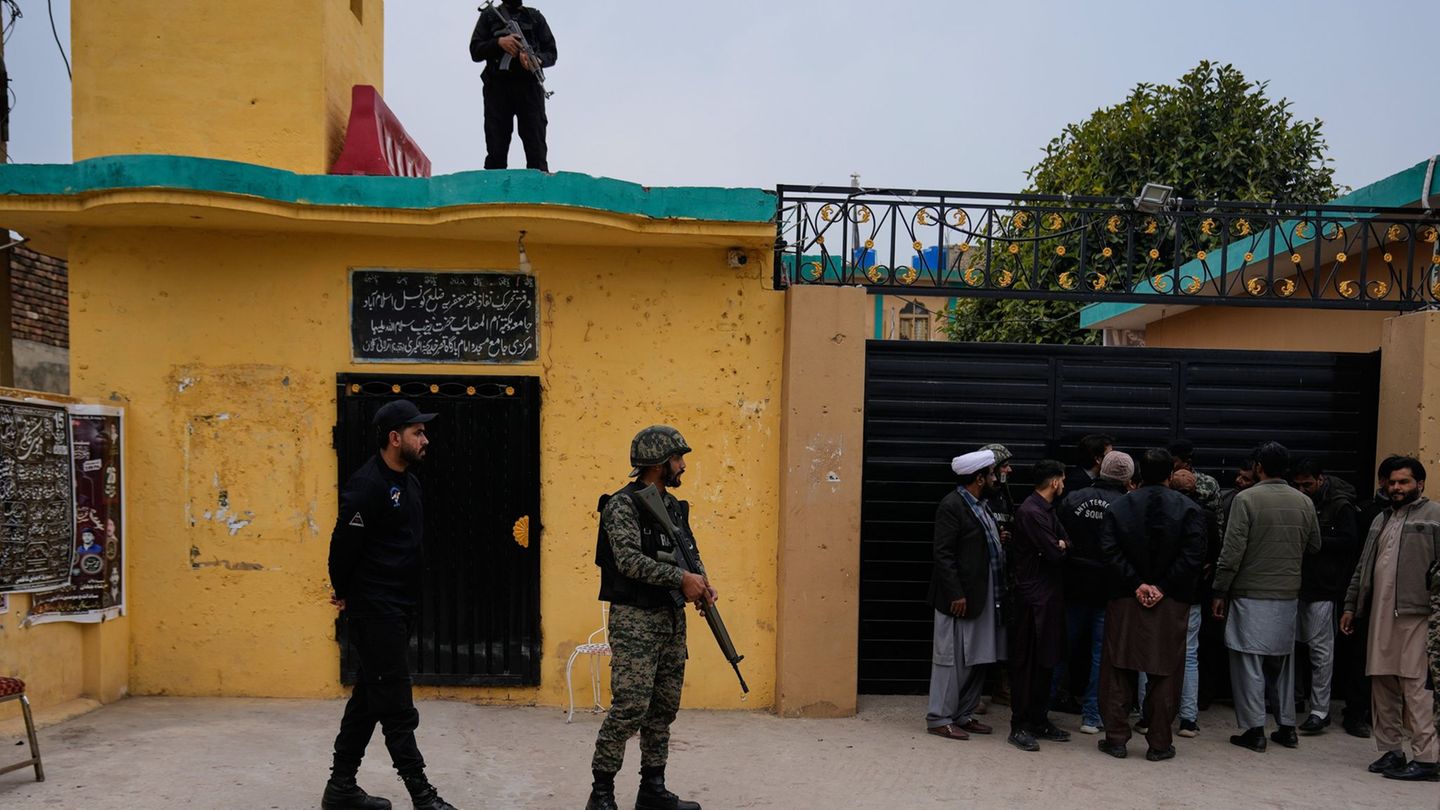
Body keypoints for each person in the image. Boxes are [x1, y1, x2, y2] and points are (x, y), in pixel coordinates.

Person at [325, 400, 457, 810]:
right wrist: (344, 591)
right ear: (394, 438)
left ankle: (341, 787)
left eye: (424, 432)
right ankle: (422, 793)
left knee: (369, 696)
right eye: (418, 432)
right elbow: (341, 548)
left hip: (400, 605)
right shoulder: (367, 486)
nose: (425, 439)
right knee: (397, 703)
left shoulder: (411, 483)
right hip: (374, 607)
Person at [587, 425, 714, 810]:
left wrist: (702, 583)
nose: (683, 466)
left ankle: (652, 790)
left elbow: (687, 553)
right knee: (629, 708)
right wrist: (681, 579)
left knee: (663, 709)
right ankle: (602, 794)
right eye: (678, 458)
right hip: (636, 621)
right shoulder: (621, 505)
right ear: (659, 464)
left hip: (671, 620)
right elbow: (627, 561)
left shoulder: (673, 507)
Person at [1095, 449, 1206, 761]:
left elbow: (1109, 550)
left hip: (1126, 597)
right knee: (1166, 672)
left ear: (1138, 475)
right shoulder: (1188, 508)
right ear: (1170, 474)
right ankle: (1159, 743)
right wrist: (1162, 586)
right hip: (1170, 602)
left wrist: (1136, 583)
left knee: (1118, 667)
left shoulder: (1119, 506)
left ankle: (1116, 739)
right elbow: (1193, 556)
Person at [1211, 442, 1320, 753]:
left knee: (1248, 661)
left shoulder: (1246, 499)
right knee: (1283, 663)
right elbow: (1314, 545)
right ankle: (1287, 727)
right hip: (1287, 594)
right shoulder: (1304, 502)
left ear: (1258, 467)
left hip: (1250, 593)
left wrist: (1220, 589)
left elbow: (1231, 553)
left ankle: (1254, 729)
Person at [1340, 455, 1440, 782]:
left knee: (1416, 686)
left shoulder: (1435, 515)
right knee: (1381, 681)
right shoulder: (1380, 519)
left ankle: (1427, 759)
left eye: (1404, 482)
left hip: (1418, 615)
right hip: (1379, 616)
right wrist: (1352, 605)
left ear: (1420, 484)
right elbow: (1362, 567)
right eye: (1392, 482)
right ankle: (1391, 750)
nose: (1396, 488)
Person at [926, 449, 1007, 742]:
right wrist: (955, 594)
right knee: (951, 660)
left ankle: (963, 714)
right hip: (958, 600)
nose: (996, 478)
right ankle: (939, 717)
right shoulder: (952, 505)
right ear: (979, 478)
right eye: (992, 474)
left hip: (983, 596)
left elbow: (975, 543)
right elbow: (943, 554)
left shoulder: (979, 505)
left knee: (978, 658)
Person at [1057, 450, 1134, 735]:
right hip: (1108, 589)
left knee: (1062, 648)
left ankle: (1044, 704)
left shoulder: (1074, 497)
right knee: (1101, 655)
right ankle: (1092, 715)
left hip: (1074, 584)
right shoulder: (1127, 505)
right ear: (1126, 477)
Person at [1288, 458, 1359, 735]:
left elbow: (1350, 542)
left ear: (1320, 479)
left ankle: (1320, 710)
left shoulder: (1340, 506)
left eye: (1308, 484)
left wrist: (1313, 541)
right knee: (1291, 647)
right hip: (1296, 585)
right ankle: (1294, 699)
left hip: (1324, 588)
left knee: (1321, 651)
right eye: (1298, 485)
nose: (1303, 490)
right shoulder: (1299, 501)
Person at [1006, 460, 1071, 751]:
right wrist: (1058, 546)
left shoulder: (1046, 511)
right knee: (1027, 664)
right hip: (1032, 600)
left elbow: (1067, 543)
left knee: (1046, 662)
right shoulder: (1031, 512)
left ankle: (1038, 719)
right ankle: (1019, 725)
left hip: (1048, 598)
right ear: (1055, 481)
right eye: (1063, 479)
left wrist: (1061, 544)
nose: (1064, 484)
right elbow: (1056, 554)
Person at [469, 0, 557, 171]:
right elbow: (475, 50)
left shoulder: (535, 17)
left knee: (536, 147)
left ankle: (537, 189)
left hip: (529, 88)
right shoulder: (490, 15)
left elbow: (551, 52)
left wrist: (536, 60)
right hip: (498, 87)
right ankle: (494, 191)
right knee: (496, 146)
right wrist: (499, 43)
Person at [1168, 438, 1220, 511]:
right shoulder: (1165, 480)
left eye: (1173, 462)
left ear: (1188, 463)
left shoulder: (1208, 483)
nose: (1169, 465)